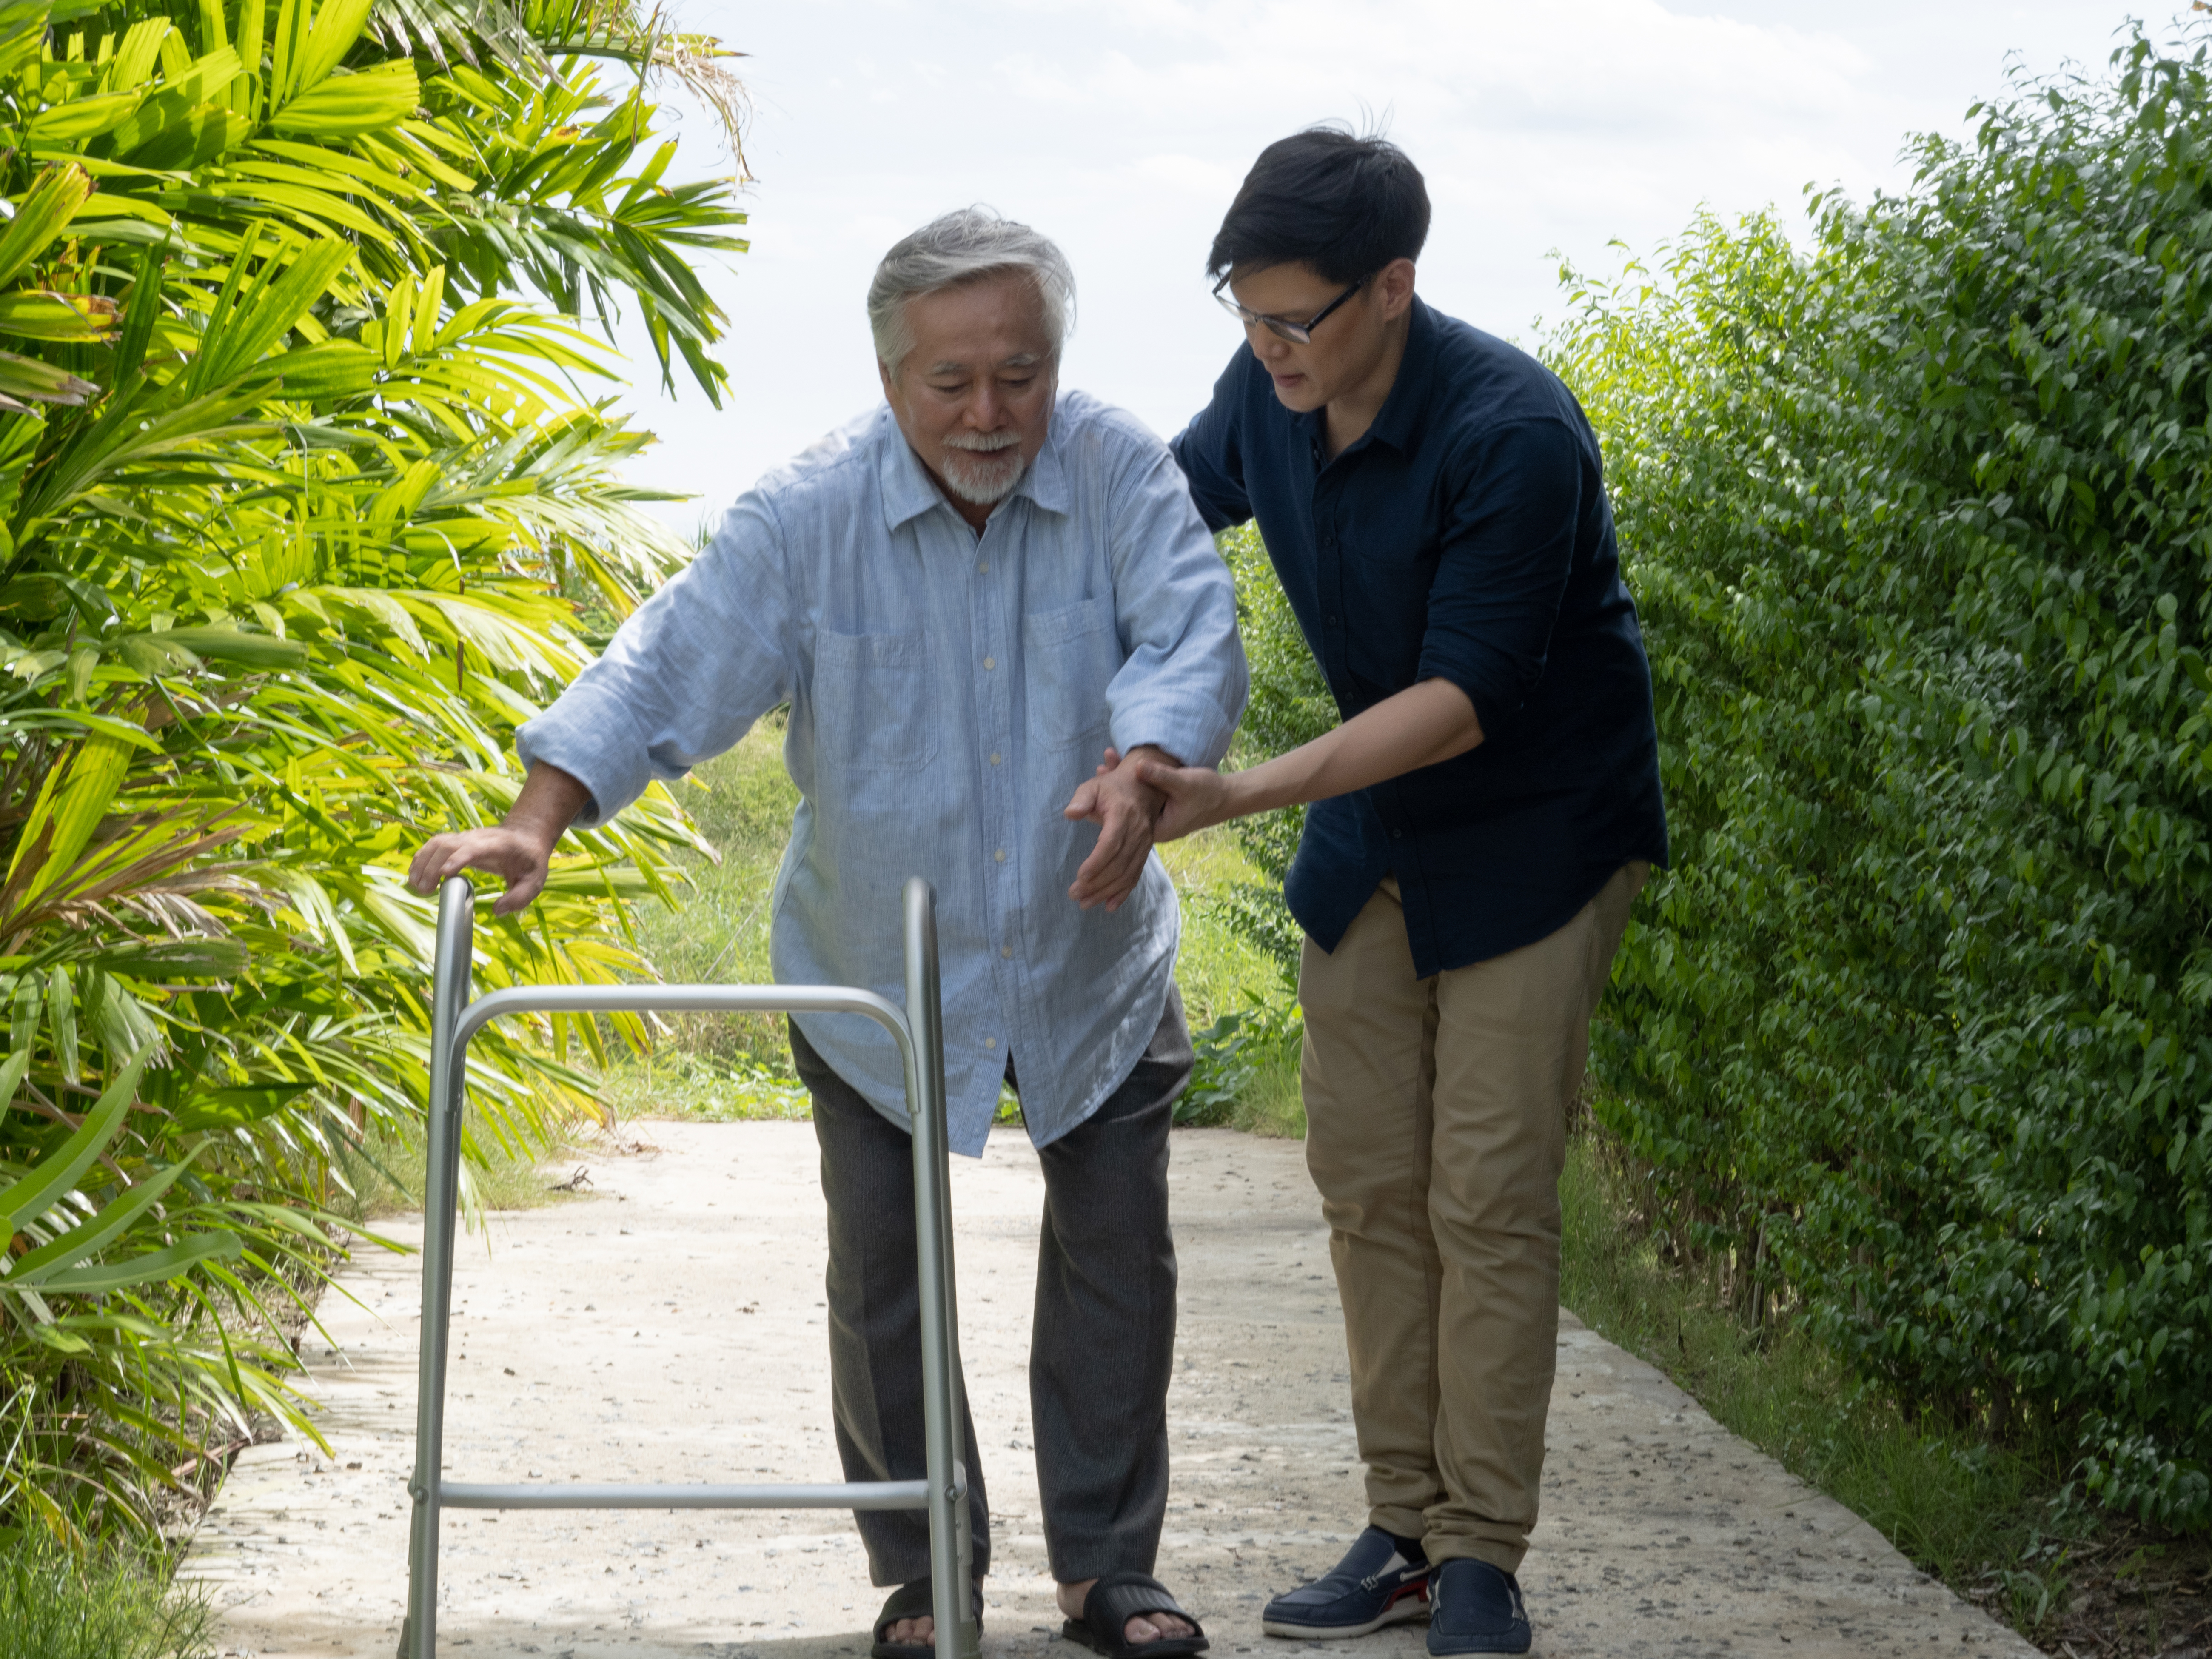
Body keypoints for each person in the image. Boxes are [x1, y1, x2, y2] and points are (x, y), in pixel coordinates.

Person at [406, 208, 1246, 1659]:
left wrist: (1148, 760)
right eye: (953, 383)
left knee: (1119, 1255)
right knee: (881, 1272)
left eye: (1022, 375)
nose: (992, 414)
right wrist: (536, 819)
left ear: (1057, 364)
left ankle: (1108, 1570)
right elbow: (669, 657)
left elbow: (1192, 633)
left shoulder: (1118, 470)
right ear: (888, 377)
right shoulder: (807, 516)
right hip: (873, 957)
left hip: (1090, 953)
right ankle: (929, 1569)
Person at [1121, 130, 1668, 1656]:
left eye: (1298, 318)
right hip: (1373, 838)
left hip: (1535, 834)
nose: (1269, 347)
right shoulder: (1264, 393)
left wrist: (1232, 790)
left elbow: (1467, 696)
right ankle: (1403, 1527)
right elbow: (1158, 524)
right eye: (1247, 316)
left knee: (1487, 1195)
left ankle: (1483, 1550)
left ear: (1393, 289)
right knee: (1368, 1184)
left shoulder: (1514, 430)